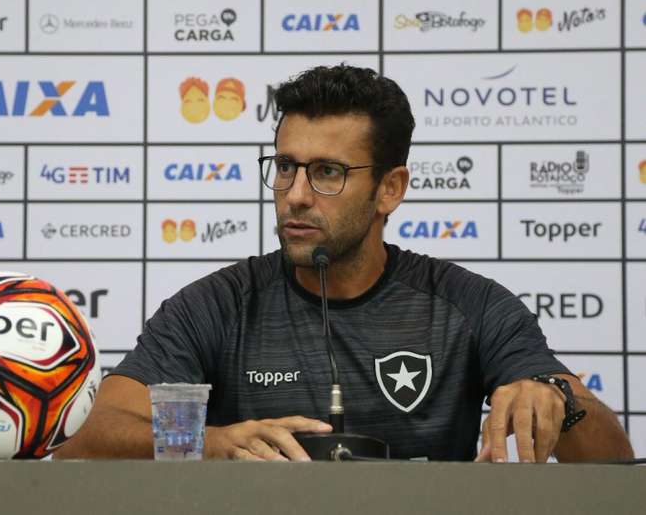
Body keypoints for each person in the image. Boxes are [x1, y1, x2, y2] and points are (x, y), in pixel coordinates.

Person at [55, 64, 633, 462]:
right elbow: (90, 437)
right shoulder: (218, 304)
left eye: (328, 172)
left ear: (390, 188)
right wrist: (211, 443)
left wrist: (561, 400)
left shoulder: (468, 304)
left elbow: (613, 463)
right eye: (285, 167)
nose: (296, 194)